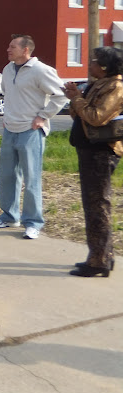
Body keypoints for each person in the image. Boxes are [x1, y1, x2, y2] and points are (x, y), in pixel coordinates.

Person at [0, 34, 67, 239]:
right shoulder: (7, 70)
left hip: (31, 131)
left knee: (31, 178)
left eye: (12, 46)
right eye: (8, 45)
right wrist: (7, 116)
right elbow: (7, 93)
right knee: (7, 175)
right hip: (10, 129)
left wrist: (43, 116)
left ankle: (33, 223)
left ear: (26, 50)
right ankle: (9, 216)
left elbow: (62, 94)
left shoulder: (41, 70)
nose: (8, 49)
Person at [64, 46, 123, 277]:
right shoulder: (98, 83)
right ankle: (100, 256)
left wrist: (78, 100)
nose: (90, 64)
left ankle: (99, 262)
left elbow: (96, 117)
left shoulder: (116, 87)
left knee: (98, 205)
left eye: (95, 61)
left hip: (101, 153)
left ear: (106, 66)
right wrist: (74, 98)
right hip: (88, 151)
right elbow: (78, 113)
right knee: (92, 205)